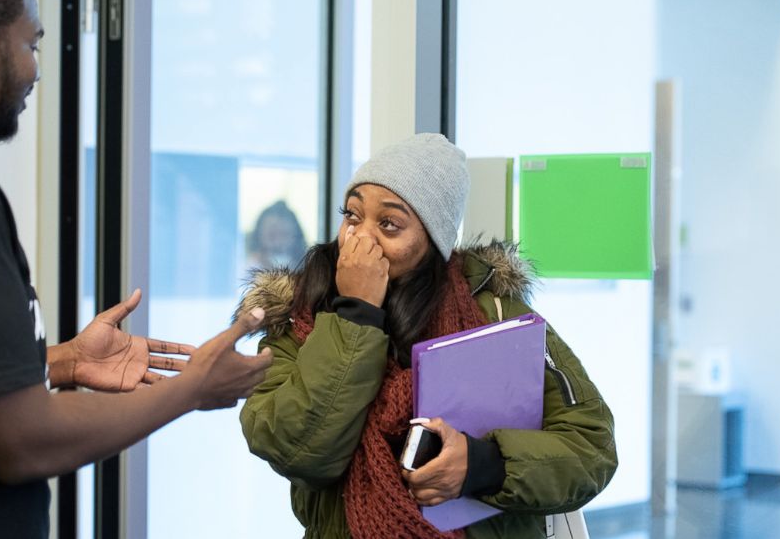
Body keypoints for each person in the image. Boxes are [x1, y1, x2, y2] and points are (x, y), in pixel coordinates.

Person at [0, 0, 272, 537]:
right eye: (31, 45)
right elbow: (19, 443)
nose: (35, 69)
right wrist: (191, 389)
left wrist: (62, 363)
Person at [237, 133, 617, 538]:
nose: (360, 239)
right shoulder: (301, 318)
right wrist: (356, 315)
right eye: (351, 215)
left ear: (433, 241)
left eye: (388, 224)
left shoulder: (493, 312)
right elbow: (296, 449)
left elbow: (591, 446)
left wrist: (483, 464)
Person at [246, 200, 308, 270]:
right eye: (272, 235)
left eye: (284, 234)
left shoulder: (308, 269)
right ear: (258, 236)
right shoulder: (247, 267)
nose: (278, 243)